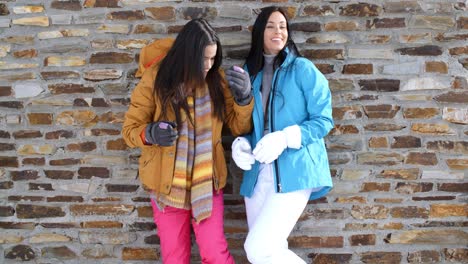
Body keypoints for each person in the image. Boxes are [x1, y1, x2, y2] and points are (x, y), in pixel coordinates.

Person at [122, 18, 253, 264]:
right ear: (187, 54)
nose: (208, 65)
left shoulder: (216, 80)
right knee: (175, 259)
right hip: (167, 186)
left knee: (215, 254)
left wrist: (244, 99)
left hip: (207, 183)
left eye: (213, 59)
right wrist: (150, 133)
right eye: (203, 58)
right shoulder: (156, 78)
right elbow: (129, 130)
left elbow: (238, 126)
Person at [229, 6, 334, 264]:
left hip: (295, 169)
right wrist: (240, 143)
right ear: (259, 31)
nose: (278, 32)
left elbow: (323, 120)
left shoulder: (302, 69)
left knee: (258, 248)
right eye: (271, 26)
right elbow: (247, 123)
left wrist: (285, 138)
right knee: (267, 254)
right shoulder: (248, 73)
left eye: (283, 26)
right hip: (258, 172)